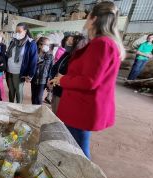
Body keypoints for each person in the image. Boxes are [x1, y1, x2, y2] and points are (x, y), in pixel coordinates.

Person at [49, 1, 125, 159]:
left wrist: (63, 80)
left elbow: (89, 81)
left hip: (82, 108)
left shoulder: (102, 44)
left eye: (87, 16)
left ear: (94, 18)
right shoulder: (106, 43)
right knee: (75, 146)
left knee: (79, 150)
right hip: (83, 106)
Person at [49, 35, 84, 113]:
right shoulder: (66, 54)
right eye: (67, 41)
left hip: (64, 92)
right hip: (56, 88)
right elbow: (55, 67)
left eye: (70, 42)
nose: (67, 43)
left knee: (59, 115)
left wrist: (61, 78)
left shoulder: (77, 58)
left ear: (76, 45)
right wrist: (52, 78)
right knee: (54, 111)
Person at [6, 23, 38, 103]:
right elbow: (8, 55)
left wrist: (30, 74)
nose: (17, 33)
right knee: (11, 91)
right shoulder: (13, 41)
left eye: (19, 31)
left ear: (25, 31)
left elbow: (33, 60)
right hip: (9, 70)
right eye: (16, 31)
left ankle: (19, 108)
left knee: (18, 92)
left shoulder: (30, 43)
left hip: (19, 72)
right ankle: (11, 106)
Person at [31, 37, 53, 105]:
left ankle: (39, 113)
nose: (47, 47)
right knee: (34, 97)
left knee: (39, 98)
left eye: (48, 45)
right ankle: (33, 111)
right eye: (45, 44)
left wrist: (49, 80)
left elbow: (51, 69)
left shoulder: (50, 56)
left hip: (43, 80)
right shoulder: (34, 54)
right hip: (34, 78)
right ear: (40, 45)